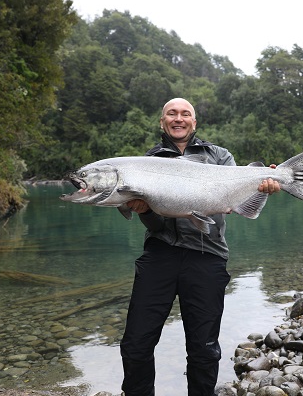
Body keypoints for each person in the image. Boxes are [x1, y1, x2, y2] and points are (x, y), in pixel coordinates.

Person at [120, 98, 280, 396]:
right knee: (135, 344)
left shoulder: (220, 156)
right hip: (159, 255)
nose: (178, 118)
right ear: (162, 121)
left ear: (194, 122)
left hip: (208, 256)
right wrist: (144, 210)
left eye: (185, 114)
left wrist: (265, 184)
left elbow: (233, 202)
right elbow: (156, 227)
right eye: (171, 113)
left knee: (204, 348)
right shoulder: (145, 163)